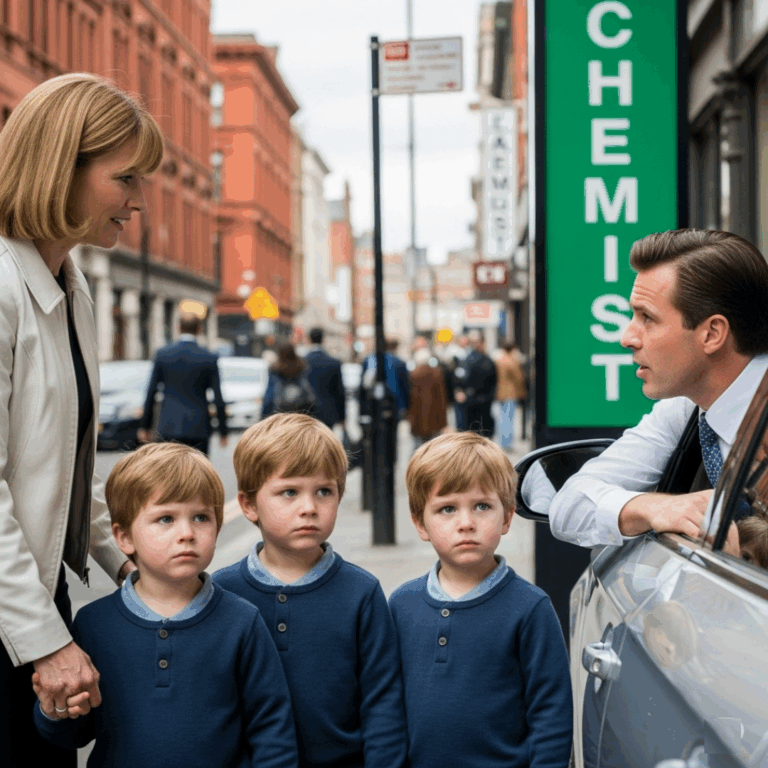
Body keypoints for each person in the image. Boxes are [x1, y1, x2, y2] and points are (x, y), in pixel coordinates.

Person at [0, 72, 163, 765]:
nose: (138, 199)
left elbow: (60, 467)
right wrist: (44, 640)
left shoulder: (72, 283)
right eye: (124, 177)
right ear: (60, 167)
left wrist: (133, 563)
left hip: (35, 594)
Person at [33, 443, 298, 767]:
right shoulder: (93, 624)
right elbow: (75, 734)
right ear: (124, 537)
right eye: (165, 519)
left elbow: (272, 729)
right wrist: (54, 711)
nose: (186, 533)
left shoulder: (242, 622)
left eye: (201, 517)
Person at [550, 229, 768, 547]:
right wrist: (653, 507)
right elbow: (568, 506)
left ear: (712, 334)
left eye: (647, 318)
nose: (627, 337)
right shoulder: (686, 410)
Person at [213, 413, 407, 768]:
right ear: (249, 505)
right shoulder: (223, 591)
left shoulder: (361, 593)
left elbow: (383, 704)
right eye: (289, 492)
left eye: (324, 492)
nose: (309, 508)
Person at [389, 432, 572, 768]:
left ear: (506, 517)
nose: (466, 523)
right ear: (420, 523)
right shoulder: (401, 605)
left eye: (482, 506)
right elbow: (387, 705)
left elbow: (551, 713)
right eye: (446, 509)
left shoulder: (530, 608)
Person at [138, 313, 228, 456]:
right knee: (198, 473)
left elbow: (151, 392)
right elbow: (218, 397)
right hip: (198, 427)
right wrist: (223, 431)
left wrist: (144, 426)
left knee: (169, 474)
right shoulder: (209, 357)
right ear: (199, 329)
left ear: (178, 328)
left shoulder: (163, 354)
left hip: (169, 425)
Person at [452, 330, 497, 438]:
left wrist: (460, 391)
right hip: (478, 401)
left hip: (476, 401)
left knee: (472, 433)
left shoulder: (477, 360)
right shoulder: (472, 359)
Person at [303, 326, 346, 430]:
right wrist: (342, 418)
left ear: (309, 339)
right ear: (323, 339)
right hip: (328, 414)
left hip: (306, 412)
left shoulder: (302, 362)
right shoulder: (334, 362)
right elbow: (339, 392)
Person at [261, 342, 319, 419]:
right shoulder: (302, 367)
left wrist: (263, 416)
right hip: (300, 411)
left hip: (279, 412)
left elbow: (269, 395)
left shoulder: (275, 369)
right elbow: (310, 392)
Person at [408, 347, 448, 452]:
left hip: (417, 418)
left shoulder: (414, 375)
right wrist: (443, 421)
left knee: (417, 447)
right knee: (433, 448)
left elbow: (410, 399)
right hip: (434, 418)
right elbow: (441, 398)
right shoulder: (436, 373)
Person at [495, 340, 527, 451]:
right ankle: (507, 443)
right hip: (511, 393)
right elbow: (519, 378)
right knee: (509, 418)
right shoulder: (512, 361)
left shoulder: (499, 360)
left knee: (502, 418)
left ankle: (503, 441)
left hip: (500, 392)